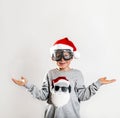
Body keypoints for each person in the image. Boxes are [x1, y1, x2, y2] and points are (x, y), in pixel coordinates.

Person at [12, 37, 116, 118]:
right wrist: (27, 84)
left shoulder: (77, 74)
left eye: (66, 55)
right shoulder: (50, 74)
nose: (62, 59)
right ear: (53, 57)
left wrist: (98, 83)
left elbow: (83, 96)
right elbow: (43, 95)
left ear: (72, 57)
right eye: (58, 56)